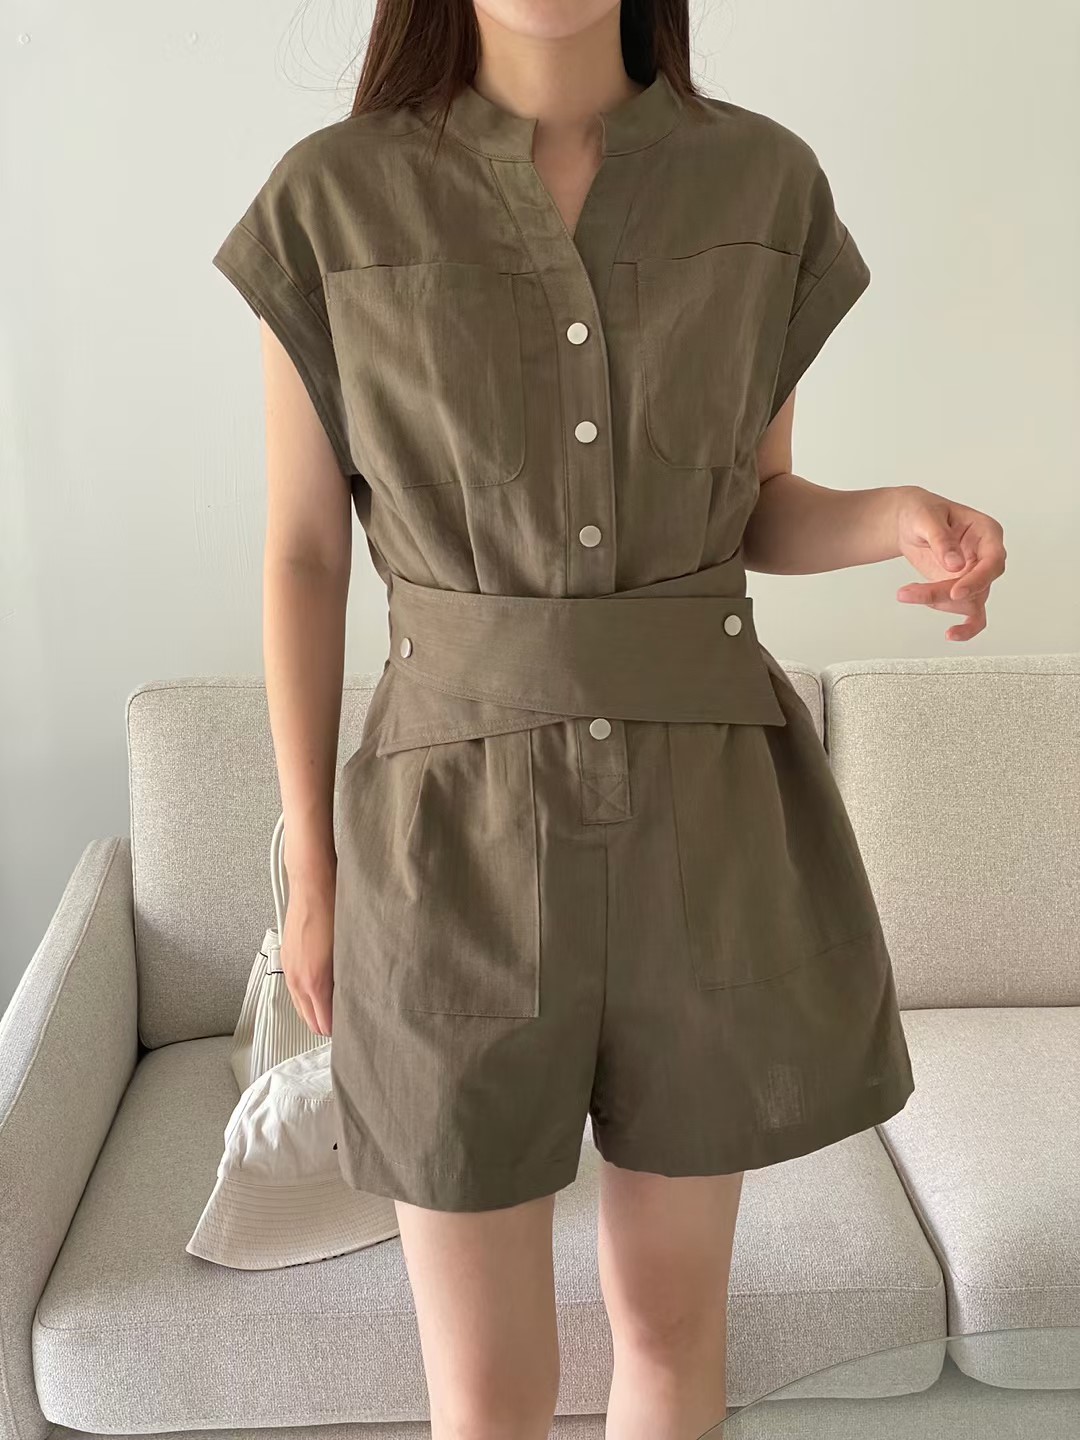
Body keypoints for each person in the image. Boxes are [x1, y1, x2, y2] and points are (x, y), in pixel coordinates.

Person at [211, 2, 1007, 1436]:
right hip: (446, 843)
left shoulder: (759, 183)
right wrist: (311, 873)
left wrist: (895, 516)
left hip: (708, 817)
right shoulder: (331, 200)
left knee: (674, 1326)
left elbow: (756, 504)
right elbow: (305, 555)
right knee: (486, 1386)